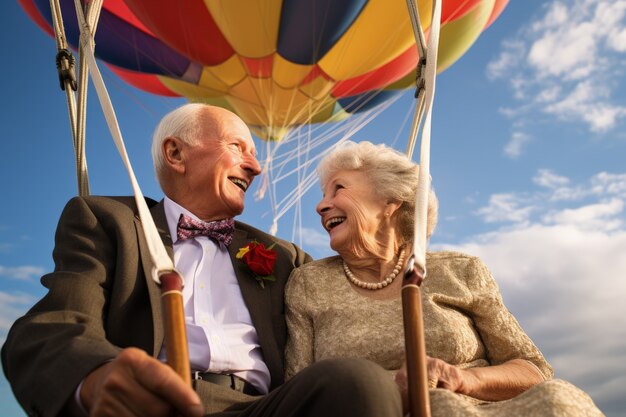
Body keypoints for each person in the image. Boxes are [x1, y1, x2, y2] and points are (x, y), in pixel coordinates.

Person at [1, 105, 403, 417]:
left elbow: (352, 303)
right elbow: (49, 328)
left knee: (357, 382)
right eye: (237, 147)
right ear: (175, 153)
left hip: (266, 408)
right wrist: (93, 377)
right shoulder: (109, 221)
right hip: (156, 403)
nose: (256, 165)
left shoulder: (285, 256)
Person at [285, 141, 604, 416]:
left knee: (557, 399)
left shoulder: (461, 270)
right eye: (323, 194)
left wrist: (463, 380)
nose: (320, 205)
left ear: (389, 201)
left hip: (488, 408)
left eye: (338, 188)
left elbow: (533, 372)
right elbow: (296, 391)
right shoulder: (309, 283)